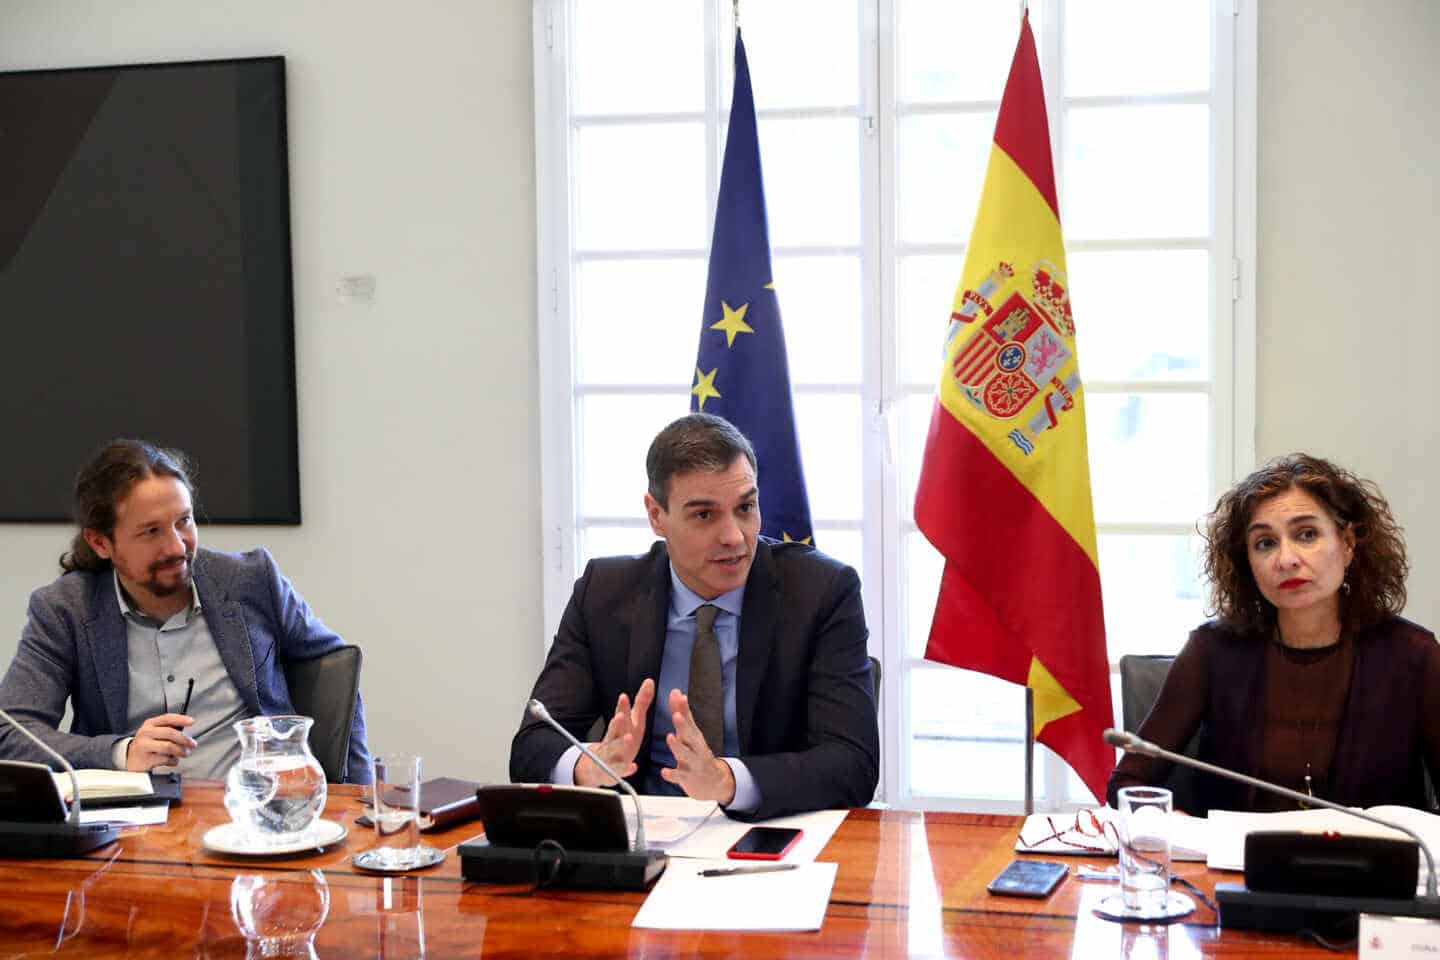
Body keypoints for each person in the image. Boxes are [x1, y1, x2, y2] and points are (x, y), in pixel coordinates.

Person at [510, 413, 878, 820]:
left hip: (774, 830)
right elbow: (532, 746)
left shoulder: (821, 592)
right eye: (705, 515)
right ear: (656, 516)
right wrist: (590, 763)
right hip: (645, 835)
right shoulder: (604, 593)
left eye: (746, 507)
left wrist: (726, 780)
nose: (734, 536)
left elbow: (853, 763)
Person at [0, 439, 371, 782]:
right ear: (101, 542)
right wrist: (119, 752)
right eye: (151, 532)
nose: (176, 546)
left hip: (254, 811)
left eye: (184, 522)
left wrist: (359, 797)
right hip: (131, 823)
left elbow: (335, 665)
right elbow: (11, 733)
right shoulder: (66, 609)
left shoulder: (252, 580)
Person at [1107, 453, 1439, 813]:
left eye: (1306, 534)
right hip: (1240, 868)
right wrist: (1179, 826)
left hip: (1375, 867)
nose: (1286, 559)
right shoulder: (1212, 652)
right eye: (1265, 543)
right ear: (1247, 562)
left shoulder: (1414, 656)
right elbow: (1127, 784)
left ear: (1347, 544)